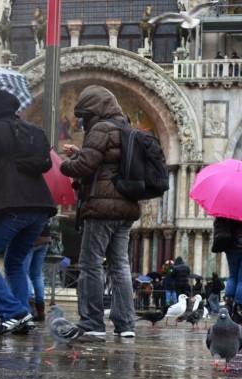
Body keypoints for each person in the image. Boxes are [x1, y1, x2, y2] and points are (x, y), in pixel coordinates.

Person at [0, 89, 56, 335]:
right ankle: (22, 315)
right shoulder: (32, 131)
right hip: (39, 208)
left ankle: (14, 311)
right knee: (15, 263)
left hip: (11, 206)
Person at [61, 85, 141, 338]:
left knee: (91, 263)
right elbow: (106, 160)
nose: (83, 121)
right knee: (120, 265)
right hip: (127, 206)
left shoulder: (101, 128)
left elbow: (85, 165)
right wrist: (82, 153)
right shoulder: (126, 128)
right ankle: (126, 324)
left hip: (102, 207)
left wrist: (66, 164)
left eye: (84, 115)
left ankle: (92, 321)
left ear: (94, 111)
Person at [23, 220, 52, 321]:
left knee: (24, 271)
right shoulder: (47, 204)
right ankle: (40, 311)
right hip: (45, 237)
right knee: (37, 274)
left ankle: (31, 305)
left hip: (30, 238)